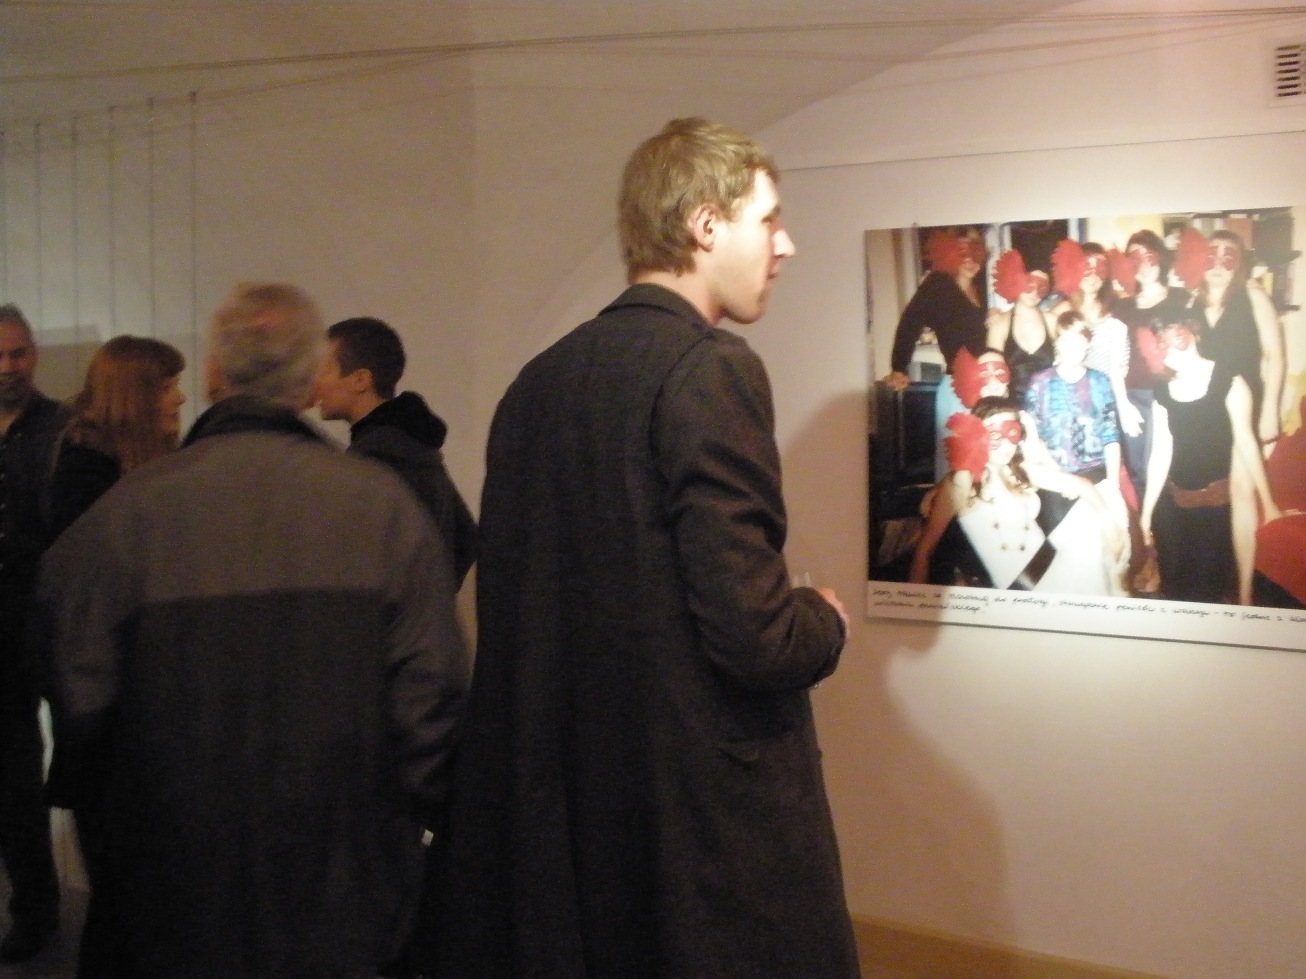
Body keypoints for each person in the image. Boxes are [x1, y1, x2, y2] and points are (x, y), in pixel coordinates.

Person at [433, 118, 859, 979]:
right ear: (705, 225)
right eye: (768, 220)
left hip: (572, 822)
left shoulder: (537, 383)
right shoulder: (710, 367)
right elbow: (754, 635)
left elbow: (519, 614)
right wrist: (823, 620)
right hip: (697, 830)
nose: (786, 244)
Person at [34, 283, 469, 979]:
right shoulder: (382, 512)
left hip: (167, 908)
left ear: (213, 373)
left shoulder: (118, 522)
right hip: (341, 910)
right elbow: (432, 712)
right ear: (306, 380)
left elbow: (80, 715)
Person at [315, 316, 477, 586]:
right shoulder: (414, 445)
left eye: (323, 370)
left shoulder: (376, 459)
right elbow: (465, 540)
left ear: (360, 380)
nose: (315, 382)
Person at [909, 396, 1122, 592]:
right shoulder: (963, 481)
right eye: (994, 435)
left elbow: (1082, 485)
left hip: (1060, 568)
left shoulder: (1020, 470)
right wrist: (913, 603)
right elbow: (924, 550)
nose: (1005, 445)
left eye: (1012, 433)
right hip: (1025, 592)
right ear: (976, 436)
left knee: (1107, 493)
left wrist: (1110, 526)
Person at [1141, 312, 1283, 605]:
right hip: (1174, 506)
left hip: (1214, 508)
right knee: (1175, 591)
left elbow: (1246, 443)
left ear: (1194, 333)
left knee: (1203, 594)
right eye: (1162, 342)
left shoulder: (1228, 380)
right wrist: (1146, 513)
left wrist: (1268, 503)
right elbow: (1160, 452)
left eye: (1176, 335)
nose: (1171, 347)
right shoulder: (1162, 390)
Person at [0, 303, 62, 963]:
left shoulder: (62, 428)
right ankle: (34, 907)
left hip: (52, 619)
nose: (8, 366)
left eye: (18, 352)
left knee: (78, 766)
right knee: (12, 779)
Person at [985, 249, 1053, 401]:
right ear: (1016, 280)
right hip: (1012, 406)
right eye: (1029, 285)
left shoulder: (1052, 321)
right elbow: (991, 374)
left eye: (1042, 288)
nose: (1035, 293)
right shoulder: (999, 325)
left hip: (1049, 405)